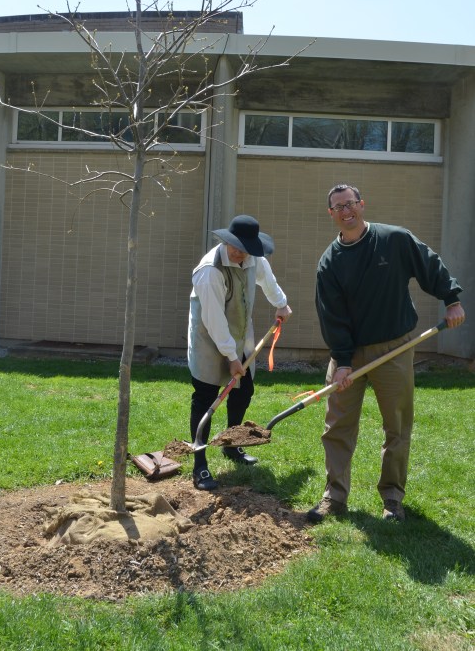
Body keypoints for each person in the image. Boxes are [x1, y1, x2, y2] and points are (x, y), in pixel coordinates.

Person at [308, 183, 466, 523]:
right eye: (338, 207)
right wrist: (343, 362)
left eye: (350, 203)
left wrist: (451, 299)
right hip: (348, 355)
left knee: (396, 426)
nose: (346, 211)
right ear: (331, 214)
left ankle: (392, 498)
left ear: (362, 205)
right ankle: (334, 496)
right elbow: (332, 316)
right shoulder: (329, 263)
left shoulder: (394, 240)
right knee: (337, 426)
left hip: (394, 348)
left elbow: (430, 266)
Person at [187, 214, 292, 491]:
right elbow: (215, 320)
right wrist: (231, 358)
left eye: (246, 249)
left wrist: (281, 303)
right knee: (205, 398)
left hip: (240, 334)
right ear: (226, 241)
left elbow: (267, 280)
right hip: (210, 338)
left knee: (243, 391)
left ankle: (232, 446)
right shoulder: (210, 271)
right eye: (237, 247)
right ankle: (200, 465)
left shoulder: (253, 258)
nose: (241, 254)